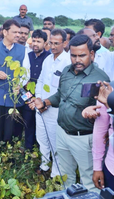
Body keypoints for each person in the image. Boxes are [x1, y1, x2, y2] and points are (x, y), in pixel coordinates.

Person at [30, 34, 110, 191]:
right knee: (66, 177)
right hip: (62, 133)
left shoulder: (100, 79)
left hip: (84, 138)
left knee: (89, 181)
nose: (77, 60)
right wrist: (45, 102)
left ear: (92, 55)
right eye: (73, 55)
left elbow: (107, 113)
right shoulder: (66, 71)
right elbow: (60, 95)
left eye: (82, 55)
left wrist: (97, 113)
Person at [0, 19, 30, 152]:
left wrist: (19, 84)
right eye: (14, 32)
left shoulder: (23, 50)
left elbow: (26, 73)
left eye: (19, 32)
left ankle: (8, 157)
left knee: (11, 129)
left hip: (13, 97)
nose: (18, 35)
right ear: (5, 32)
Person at [34, 29, 70, 178]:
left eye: (57, 43)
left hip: (56, 109)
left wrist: (46, 103)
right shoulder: (48, 59)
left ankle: (55, 174)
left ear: (65, 43)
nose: (53, 46)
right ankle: (44, 165)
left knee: (55, 142)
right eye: (51, 43)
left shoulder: (68, 62)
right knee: (42, 138)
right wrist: (38, 99)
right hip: (41, 106)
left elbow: (64, 90)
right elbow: (41, 80)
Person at [82, 81, 114, 191]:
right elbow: (100, 132)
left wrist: (110, 107)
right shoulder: (109, 91)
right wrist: (97, 167)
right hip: (111, 168)